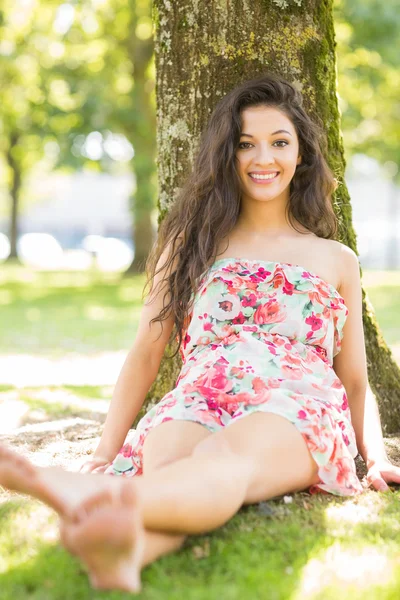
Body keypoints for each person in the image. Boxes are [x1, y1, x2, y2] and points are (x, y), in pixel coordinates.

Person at [1, 73, 399, 594]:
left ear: (301, 155)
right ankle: (128, 553)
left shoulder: (335, 259)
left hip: (293, 403)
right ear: (227, 156)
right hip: (199, 396)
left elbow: (354, 382)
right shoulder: (192, 242)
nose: (264, 158)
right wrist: (106, 450)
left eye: (280, 143)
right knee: (172, 468)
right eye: (246, 144)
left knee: (222, 462)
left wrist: (379, 457)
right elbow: (146, 352)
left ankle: (78, 493)